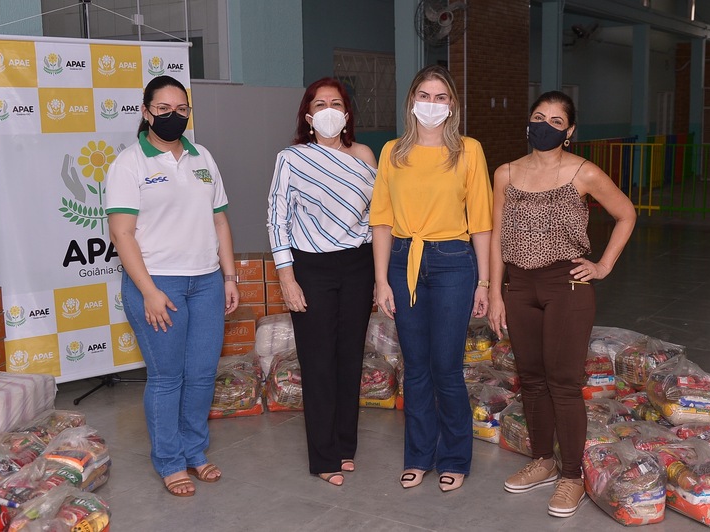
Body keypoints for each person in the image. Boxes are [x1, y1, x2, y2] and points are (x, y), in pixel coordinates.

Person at [488, 90, 636, 517]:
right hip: (519, 287)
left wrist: (603, 265)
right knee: (532, 379)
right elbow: (496, 235)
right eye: (539, 117)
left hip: (566, 286)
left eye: (556, 121)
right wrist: (495, 292)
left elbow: (626, 213)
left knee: (563, 383)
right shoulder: (505, 173)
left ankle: (571, 476)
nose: (545, 126)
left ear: (570, 131)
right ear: (527, 122)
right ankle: (543, 461)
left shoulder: (583, 172)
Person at [106, 75, 240, 497]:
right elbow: (121, 234)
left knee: (201, 375)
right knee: (168, 377)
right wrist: (148, 291)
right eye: (163, 109)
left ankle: (194, 452)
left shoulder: (203, 157)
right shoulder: (129, 164)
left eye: (181, 109)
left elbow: (220, 221)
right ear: (146, 112)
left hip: (206, 281)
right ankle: (169, 461)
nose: (173, 116)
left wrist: (229, 276)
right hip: (157, 283)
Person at [371, 65, 493, 493]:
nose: (431, 104)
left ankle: (455, 457)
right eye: (424, 95)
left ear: (452, 105)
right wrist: (381, 281)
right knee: (416, 366)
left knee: (446, 366)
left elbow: (481, 222)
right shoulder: (392, 152)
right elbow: (381, 220)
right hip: (402, 260)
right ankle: (419, 455)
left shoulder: (468, 151)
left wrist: (484, 283)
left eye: (441, 97)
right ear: (411, 102)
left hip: (453, 262)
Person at [267, 77, 377, 487]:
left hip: (358, 266)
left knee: (350, 359)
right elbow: (276, 218)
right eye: (319, 104)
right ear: (308, 116)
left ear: (346, 113)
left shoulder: (364, 155)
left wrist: (379, 274)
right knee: (318, 363)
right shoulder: (291, 158)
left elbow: (376, 217)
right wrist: (286, 277)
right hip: (310, 268)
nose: (328, 110)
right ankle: (324, 456)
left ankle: (345, 445)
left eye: (336, 103)